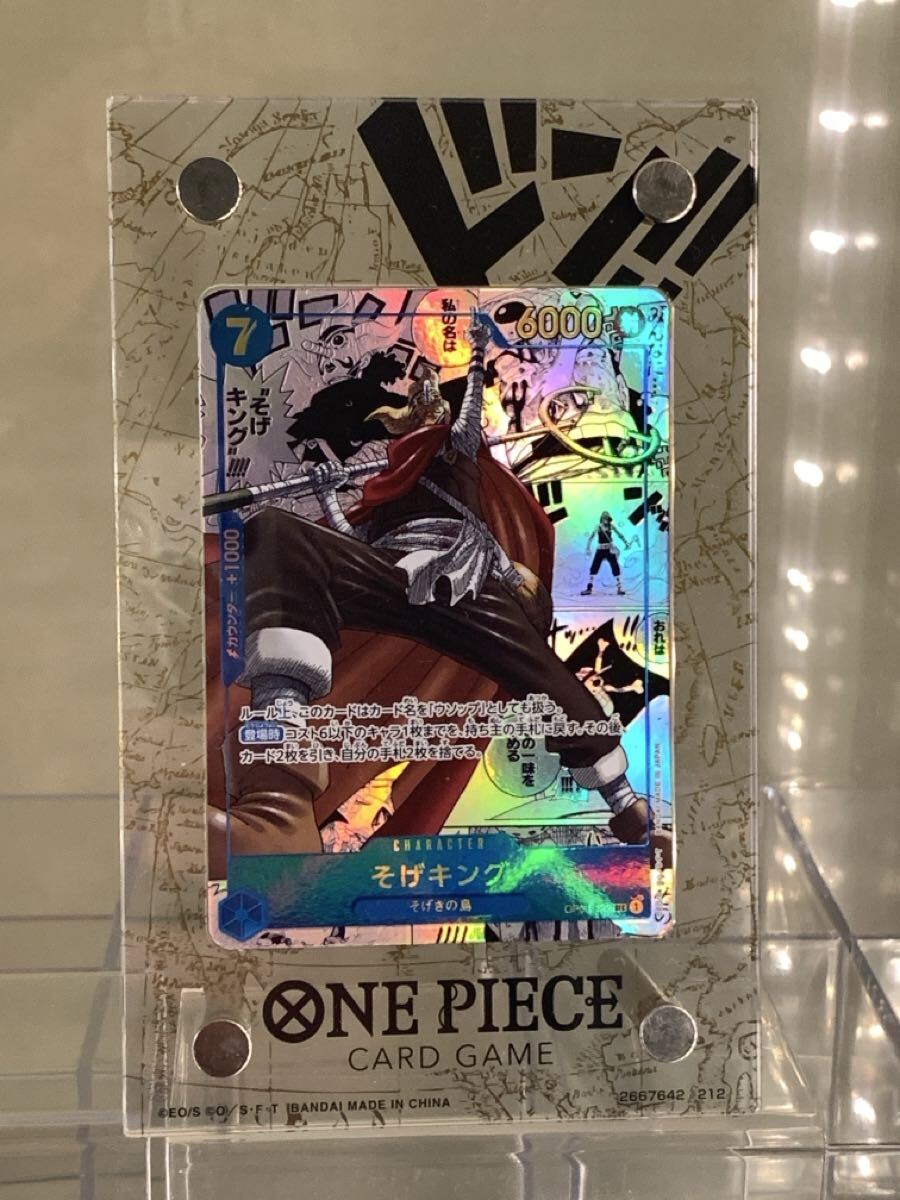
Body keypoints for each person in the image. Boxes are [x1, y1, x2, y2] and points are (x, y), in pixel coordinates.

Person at [208, 319, 659, 873]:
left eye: (429, 403)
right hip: (389, 574)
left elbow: (467, 409)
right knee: (278, 530)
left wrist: (477, 356)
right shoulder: (387, 487)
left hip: (459, 576)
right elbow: (350, 543)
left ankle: (623, 798)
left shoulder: (453, 452)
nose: (420, 406)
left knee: (536, 671)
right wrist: (327, 496)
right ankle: (280, 805)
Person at [581, 511, 633, 596]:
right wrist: (588, 548)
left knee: (615, 567)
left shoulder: (611, 526)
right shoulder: (598, 527)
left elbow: (620, 534)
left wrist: (626, 542)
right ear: (602, 519)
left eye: (607, 518)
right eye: (604, 518)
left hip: (609, 550)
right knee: (594, 567)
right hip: (600, 550)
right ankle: (589, 588)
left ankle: (619, 588)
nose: (606, 520)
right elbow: (591, 537)